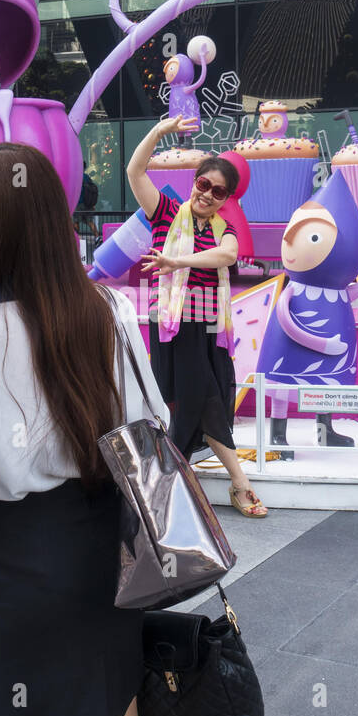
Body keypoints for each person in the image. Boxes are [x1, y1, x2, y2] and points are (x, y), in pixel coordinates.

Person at [0, 142, 169, 716]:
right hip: (113, 548)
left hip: (24, 556)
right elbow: (153, 419)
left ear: (3, 224)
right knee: (114, 703)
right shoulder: (108, 306)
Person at [128, 115, 269, 518]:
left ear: (226, 198)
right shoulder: (165, 210)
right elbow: (135, 171)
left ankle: (169, 483)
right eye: (202, 184)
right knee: (200, 396)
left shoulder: (225, 228)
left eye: (217, 191)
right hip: (172, 323)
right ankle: (239, 483)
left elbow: (227, 256)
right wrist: (158, 132)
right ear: (195, 182)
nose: (207, 194)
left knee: (203, 398)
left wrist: (176, 260)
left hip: (208, 327)